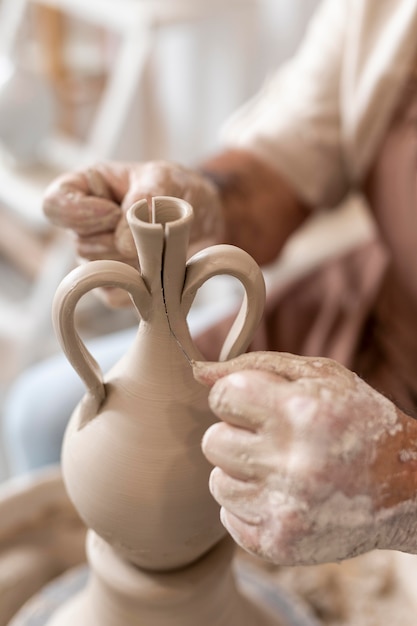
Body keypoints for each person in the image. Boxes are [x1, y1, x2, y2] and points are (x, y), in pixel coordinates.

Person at [6, 0, 417, 567]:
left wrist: (402, 483)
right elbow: (280, 169)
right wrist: (202, 202)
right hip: (377, 308)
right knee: (43, 409)